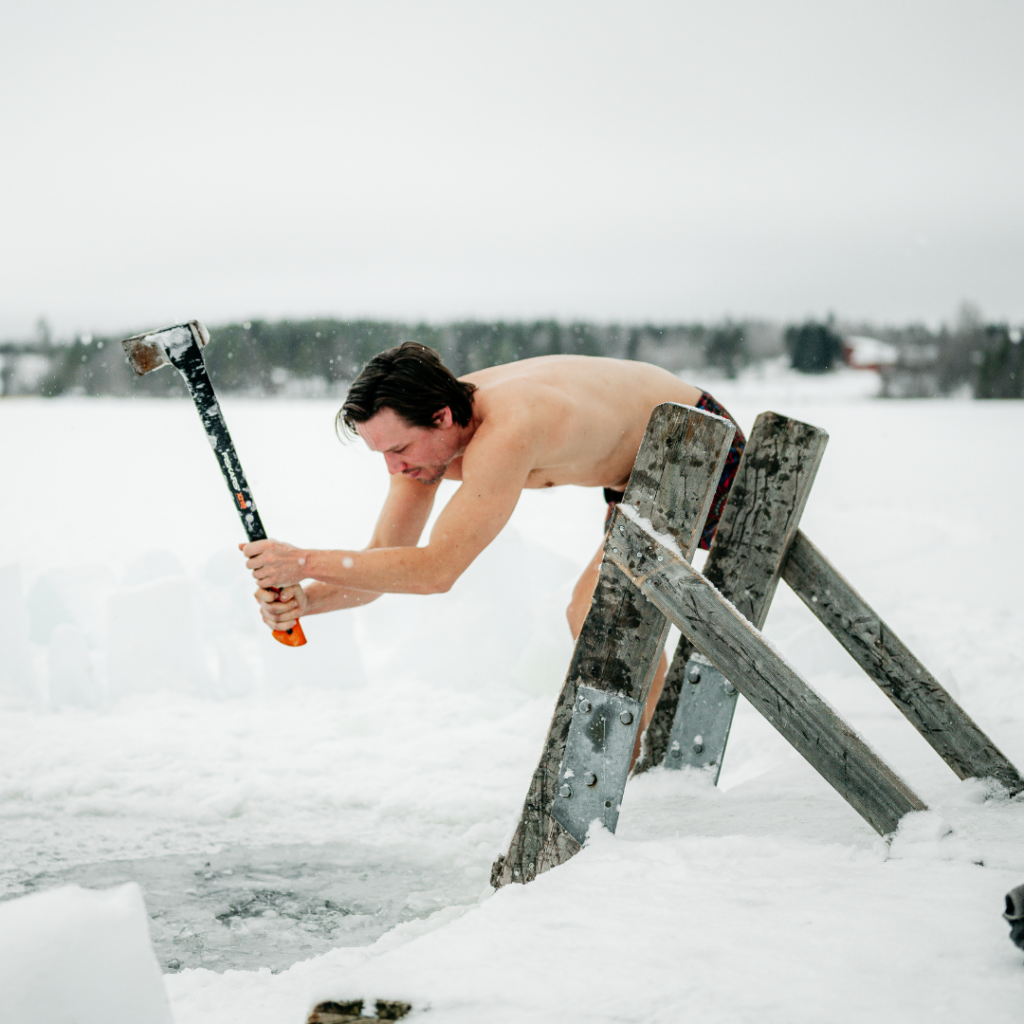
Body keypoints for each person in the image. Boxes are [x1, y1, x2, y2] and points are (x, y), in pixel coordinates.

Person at [242, 342, 745, 743]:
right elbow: (381, 563)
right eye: (382, 454)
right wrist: (308, 596)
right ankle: (646, 758)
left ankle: (645, 763)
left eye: (398, 449)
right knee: (596, 608)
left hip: (694, 440)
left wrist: (303, 559)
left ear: (441, 416)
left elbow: (436, 571)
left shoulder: (508, 426)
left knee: (600, 608)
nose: (394, 468)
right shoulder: (426, 446)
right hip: (637, 473)